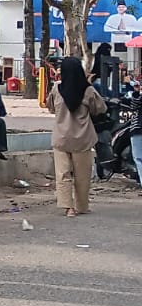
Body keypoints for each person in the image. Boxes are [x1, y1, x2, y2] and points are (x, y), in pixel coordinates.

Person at [48, 57, 107, 217]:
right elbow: (100, 109)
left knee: (63, 174)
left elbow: (51, 108)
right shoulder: (88, 90)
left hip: (61, 138)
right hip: (82, 139)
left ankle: (68, 207)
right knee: (82, 175)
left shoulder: (56, 89)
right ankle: (82, 206)